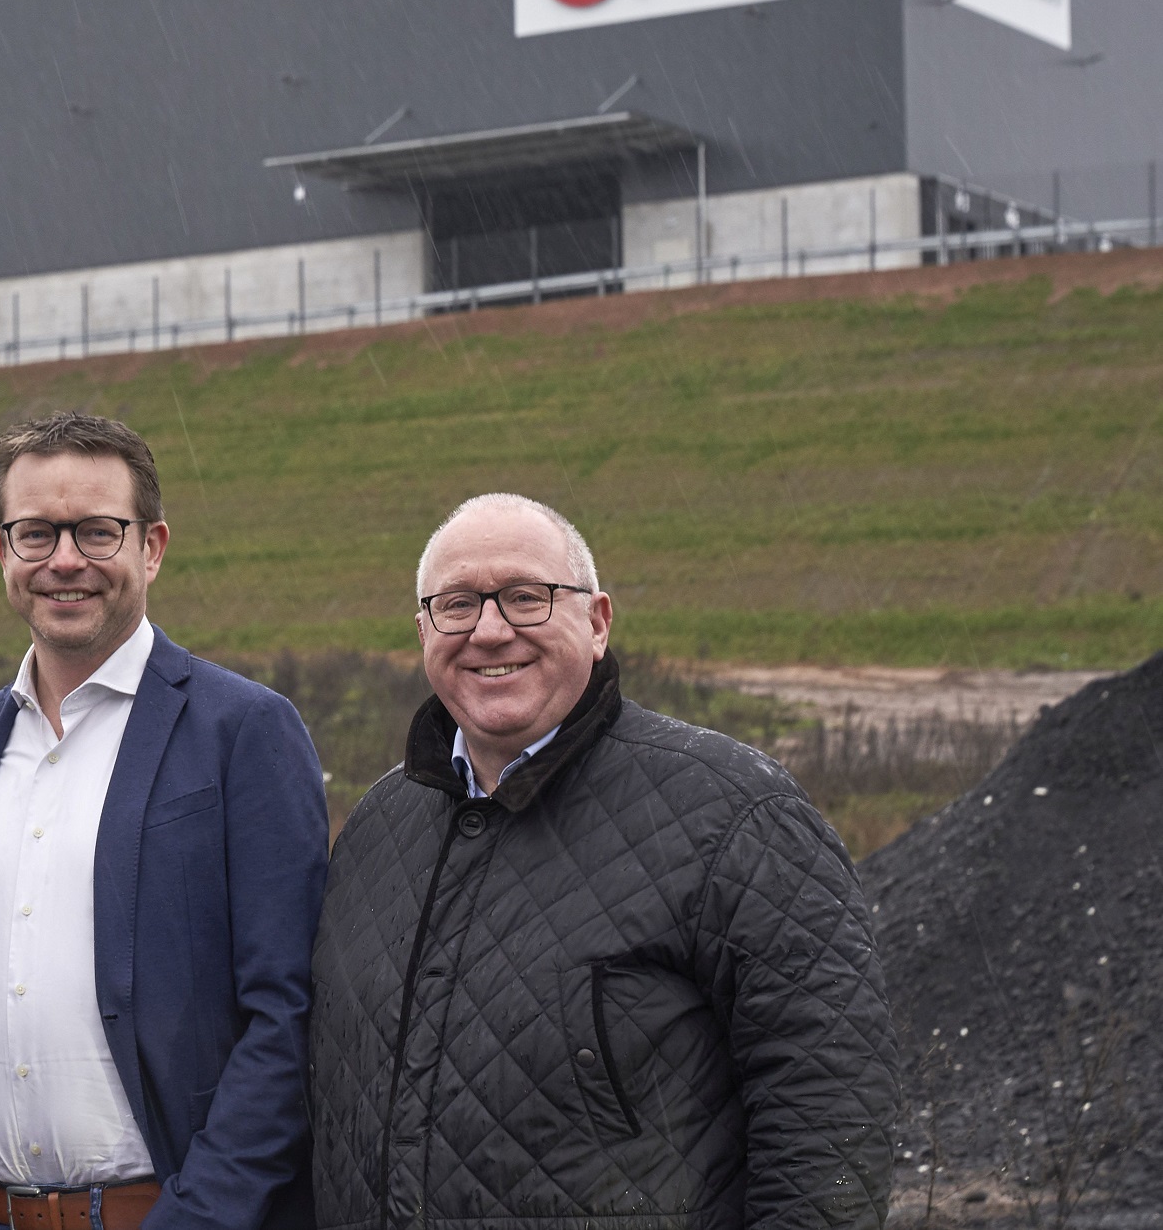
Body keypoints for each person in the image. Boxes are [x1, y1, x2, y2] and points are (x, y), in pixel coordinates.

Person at [308, 492, 897, 1230]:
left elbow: (832, 1113)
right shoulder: (376, 828)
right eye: (456, 604)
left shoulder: (736, 814)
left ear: (596, 622)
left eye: (526, 597)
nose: (489, 631)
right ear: (424, 632)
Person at [0, 412, 329, 1230]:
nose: (65, 560)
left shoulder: (244, 731)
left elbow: (288, 1017)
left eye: (97, 531)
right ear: (2, 551)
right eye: (36, 533)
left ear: (152, 547)